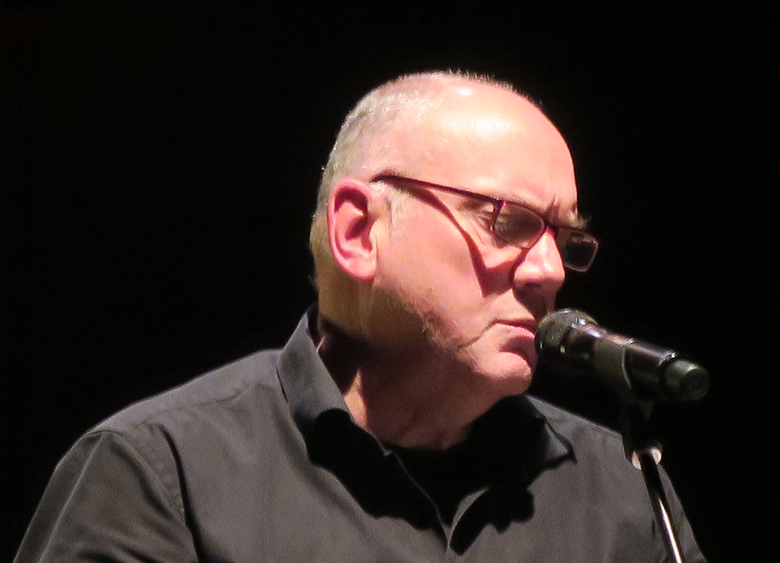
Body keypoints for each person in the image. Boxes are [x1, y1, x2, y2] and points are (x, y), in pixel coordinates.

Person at [14, 71, 706, 562]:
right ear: (357, 231)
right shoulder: (160, 472)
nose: (550, 270)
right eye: (509, 221)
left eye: (565, 239)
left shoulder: (617, 488)